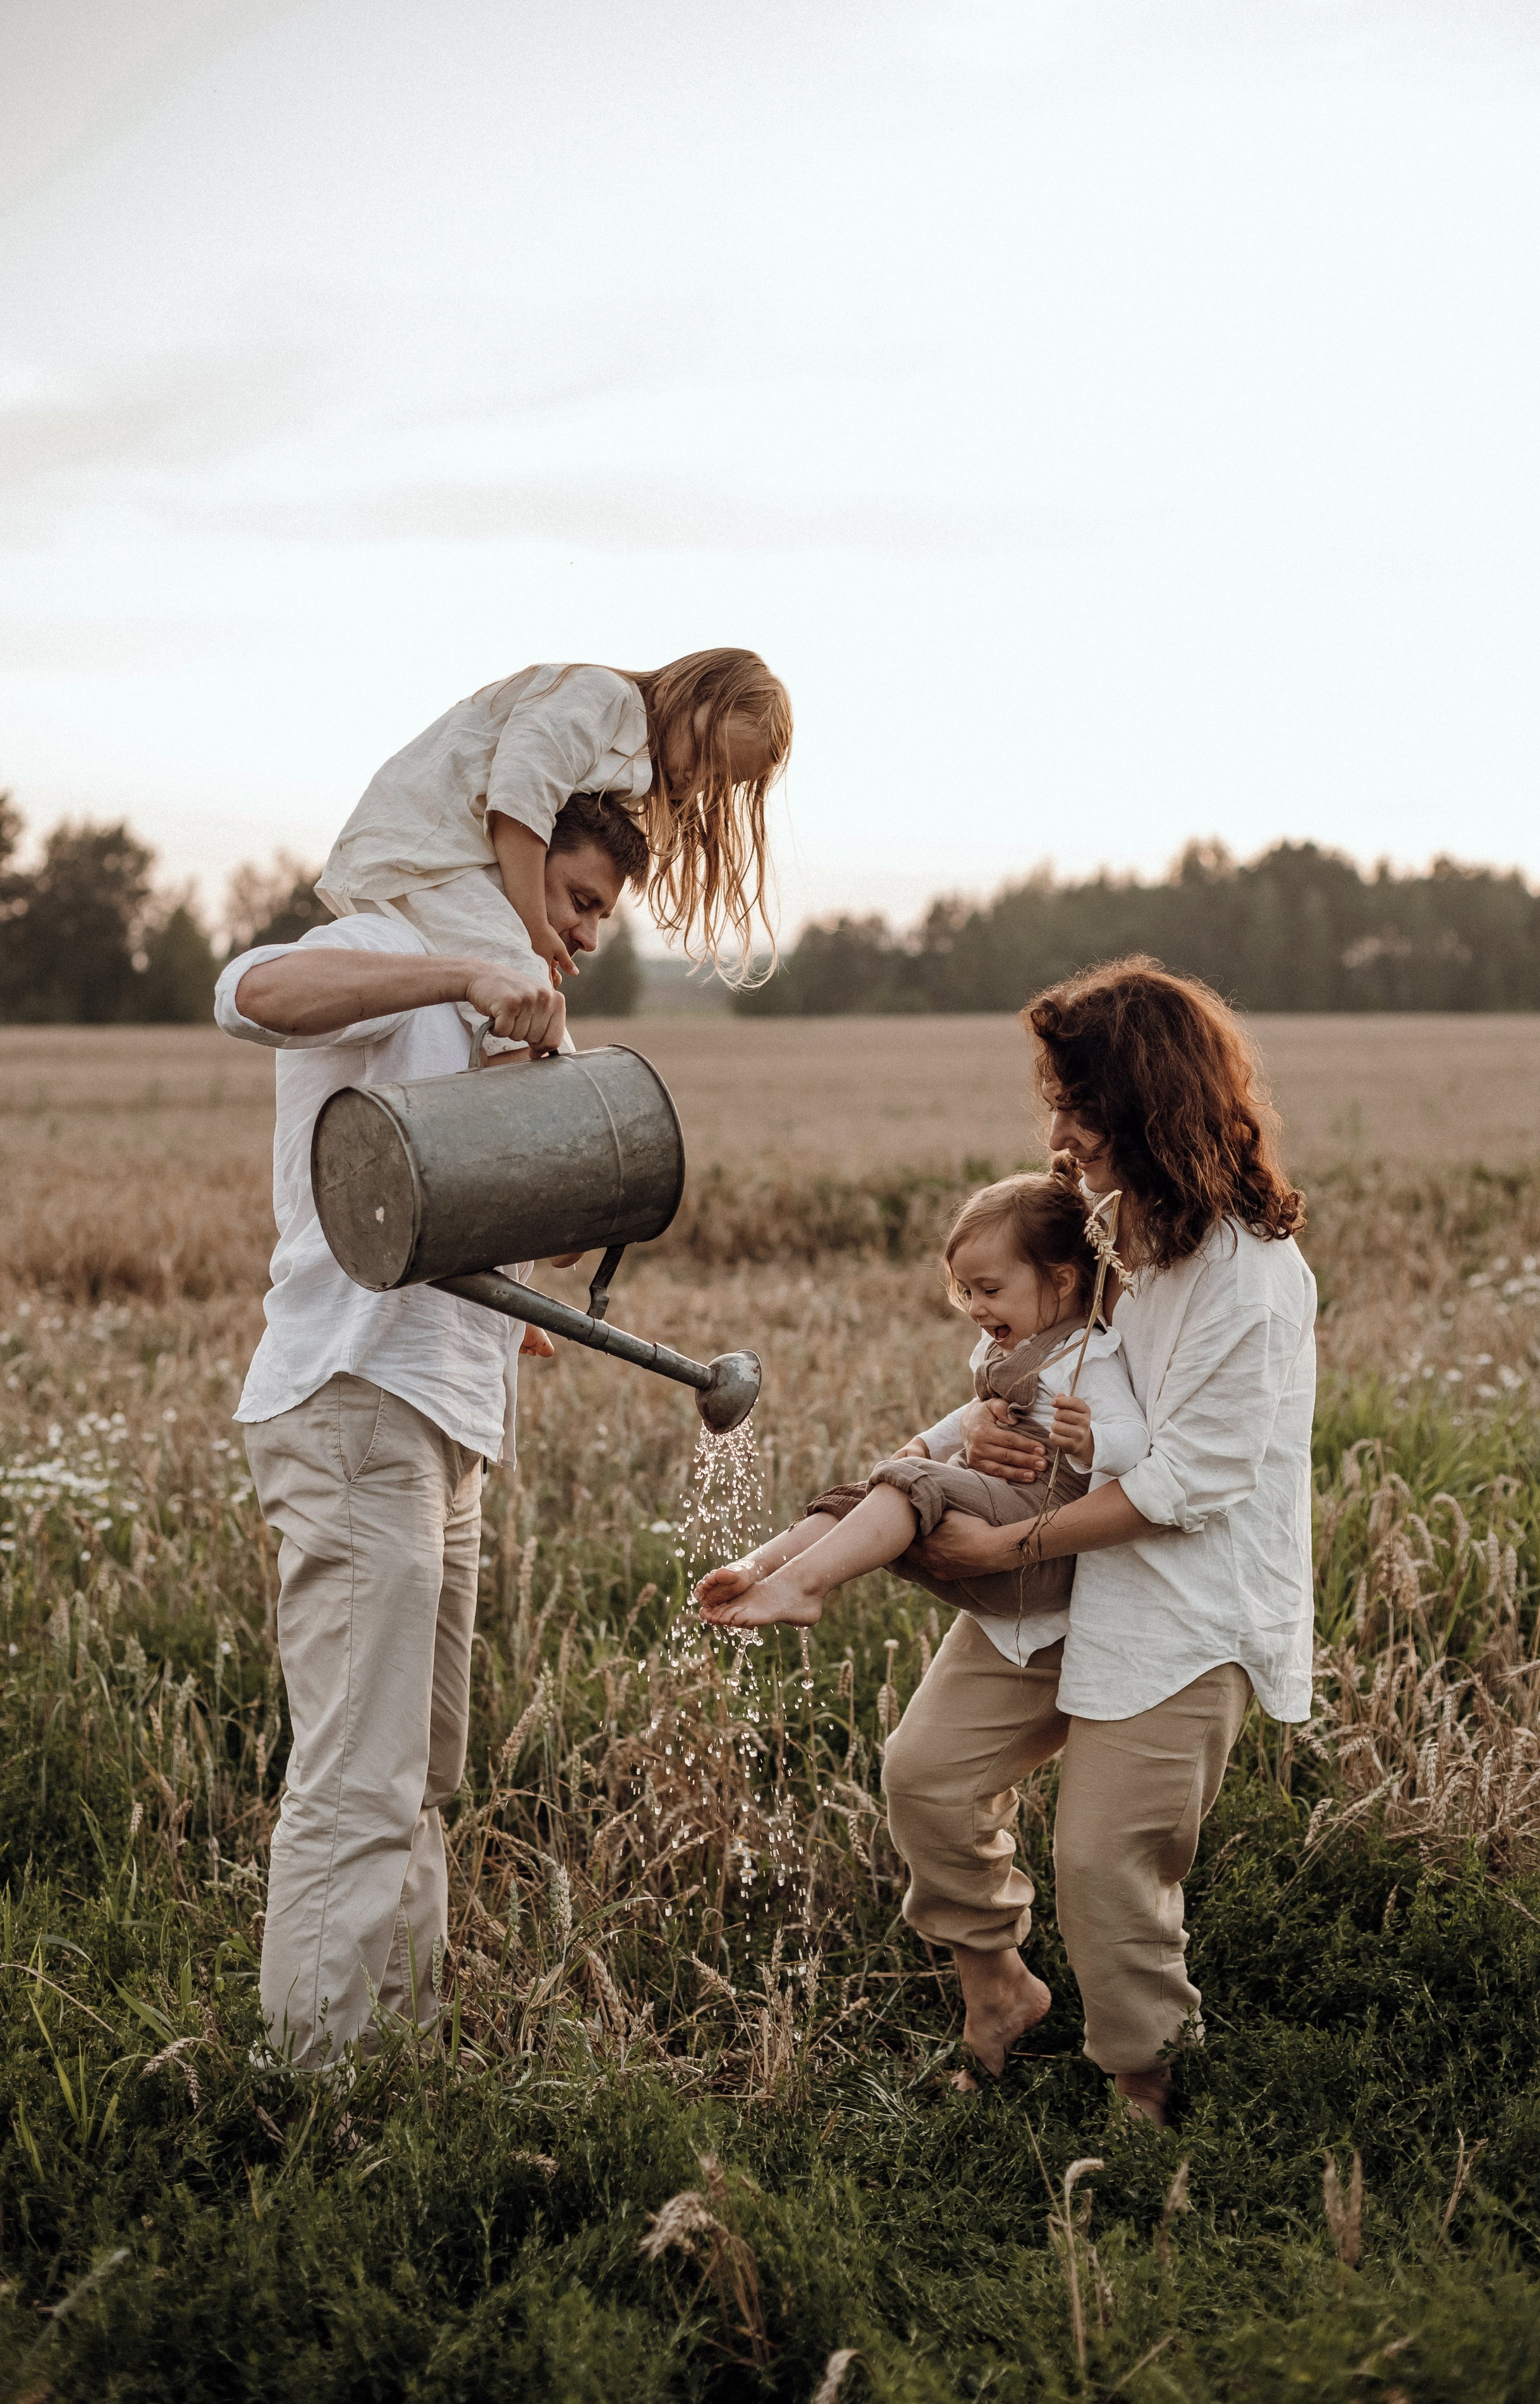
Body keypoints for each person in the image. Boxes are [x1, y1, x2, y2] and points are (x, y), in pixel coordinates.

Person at [216, 793, 649, 2068]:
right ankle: (317, 2086)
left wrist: (546, 1102)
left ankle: (393, 2061)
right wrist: (467, 968)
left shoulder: (508, 1025)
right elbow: (248, 993)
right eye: (572, 901)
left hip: (448, 1426)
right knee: (358, 1770)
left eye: (601, 920)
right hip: (354, 1402)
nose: (582, 937)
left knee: (418, 1772)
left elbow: (549, 1239)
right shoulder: (388, 962)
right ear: (509, 862)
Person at [881, 960, 1316, 2125]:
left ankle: (1147, 2091)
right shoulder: (1111, 1226)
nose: (1061, 1136)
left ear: (1154, 1108)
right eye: (1056, 1104)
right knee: (926, 1779)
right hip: (1067, 1575)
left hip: (1183, 1604)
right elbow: (1042, 1363)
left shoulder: (1250, 1280)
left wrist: (1000, 1553)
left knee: (1102, 1866)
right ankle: (1000, 1993)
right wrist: (962, 1440)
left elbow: (1192, 1483)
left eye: (1086, 1109)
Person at [697, 1171, 1147, 1635]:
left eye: (991, 1290)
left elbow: (1135, 1441)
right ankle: (757, 1568)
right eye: (968, 1292)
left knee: (908, 1483)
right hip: (984, 1523)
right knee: (867, 1493)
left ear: (1062, 1281)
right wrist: (925, 1444)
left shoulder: (1084, 1357)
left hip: (1034, 1552)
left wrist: (1090, 1443)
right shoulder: (1009, 1350)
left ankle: (803, 1586)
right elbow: (969, 1416)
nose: (975, 1308)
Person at [317, 649, 791, 1042]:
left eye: (719, 780)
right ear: (692, 692)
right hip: (419, 851)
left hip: (436, 860)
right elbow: (520, 798)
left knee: (508, 997)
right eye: (706, 751)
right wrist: (534, 926)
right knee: (523, 990)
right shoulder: (605, 698)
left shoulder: (632, 761)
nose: (697, 778)